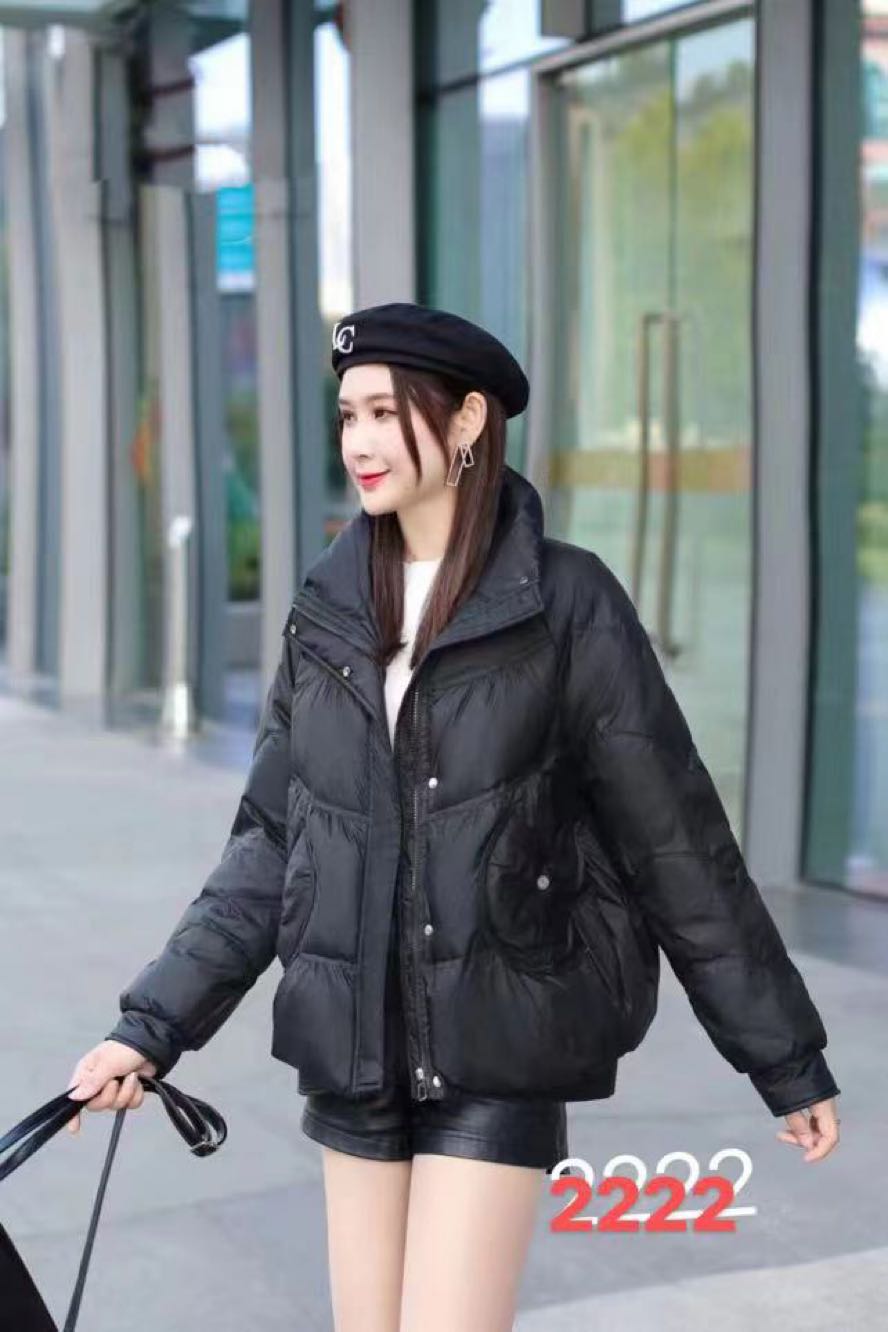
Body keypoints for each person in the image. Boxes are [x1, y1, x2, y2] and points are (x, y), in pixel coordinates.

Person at [66, 302, 841, 1332]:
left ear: (468, 419)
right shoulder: (326, 612)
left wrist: (782, 1056)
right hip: (353, 1049)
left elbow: (676, 845)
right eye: (349, 415)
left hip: (499, 1039)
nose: (360, 442)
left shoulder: (566, 602)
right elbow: (271, 845)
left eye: (387, 413)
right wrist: (150, 1029)